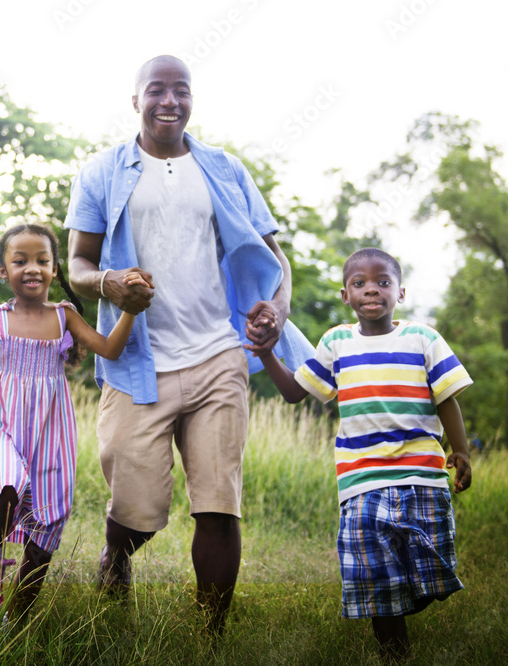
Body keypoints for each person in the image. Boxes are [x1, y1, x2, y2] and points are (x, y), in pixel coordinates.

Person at [64, 54, 314, 634]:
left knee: (217, 503)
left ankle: (210, 635)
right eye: (157, 90)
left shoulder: (224, 169)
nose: (169, 101)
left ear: (192, 99)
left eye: (181, 90)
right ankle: (117, 555)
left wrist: (276, 310)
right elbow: (76, 264)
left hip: (218, 352)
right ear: (136, 101)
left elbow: (276, 257)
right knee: (139, 509)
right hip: (137, 359)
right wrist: (109, 284)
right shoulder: (102, 171)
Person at [256, 248, 472, 662]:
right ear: (345, 295)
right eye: (360, 283)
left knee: (434, 578)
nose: (371, 289)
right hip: (360, 481)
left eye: (383, 282)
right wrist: (267, 353)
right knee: (375, 579)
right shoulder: (336, 342)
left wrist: (459, 450)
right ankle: (395, 653)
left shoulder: (423, 338)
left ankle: (400, 605)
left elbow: (446, 396)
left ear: (401, 292)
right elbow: (294, 393)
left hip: (420, 474)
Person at [0, 223, 144, 619]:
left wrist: (130, 310)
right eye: (20, 260)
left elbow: (109, 349)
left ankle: (16, 618)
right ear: (4, 271)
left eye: (42, 260)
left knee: (47, 524)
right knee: (9, 482)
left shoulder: (65, 317)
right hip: (0, 429)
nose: (32, 268)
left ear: (55, 269)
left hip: (50, 435)